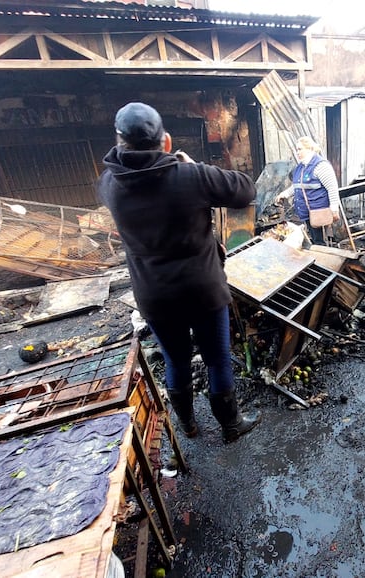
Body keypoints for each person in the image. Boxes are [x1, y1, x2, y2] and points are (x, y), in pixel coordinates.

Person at [97, 102, 261, 443]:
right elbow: (246, 189)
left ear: (118, 141)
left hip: (155, 295)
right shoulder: (189, 176)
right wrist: (193, 165)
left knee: (176, 359)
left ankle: (187, 426)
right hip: (202, 289)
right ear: (166, 142)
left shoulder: (109, 185)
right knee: (217, 359)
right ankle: (231, 425)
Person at [277, 136, 340, 245]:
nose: (297, 152)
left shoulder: (320, 165)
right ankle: (319, 253)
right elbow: (297, 186)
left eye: (300, 149)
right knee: (314, 238)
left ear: (310, 149)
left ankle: (323, 258)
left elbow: (332, 187)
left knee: (319, 240)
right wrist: (285, 194)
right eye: (296, 150)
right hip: (307, 211)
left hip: (318, 211)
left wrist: (334, 208)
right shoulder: (301, 167)